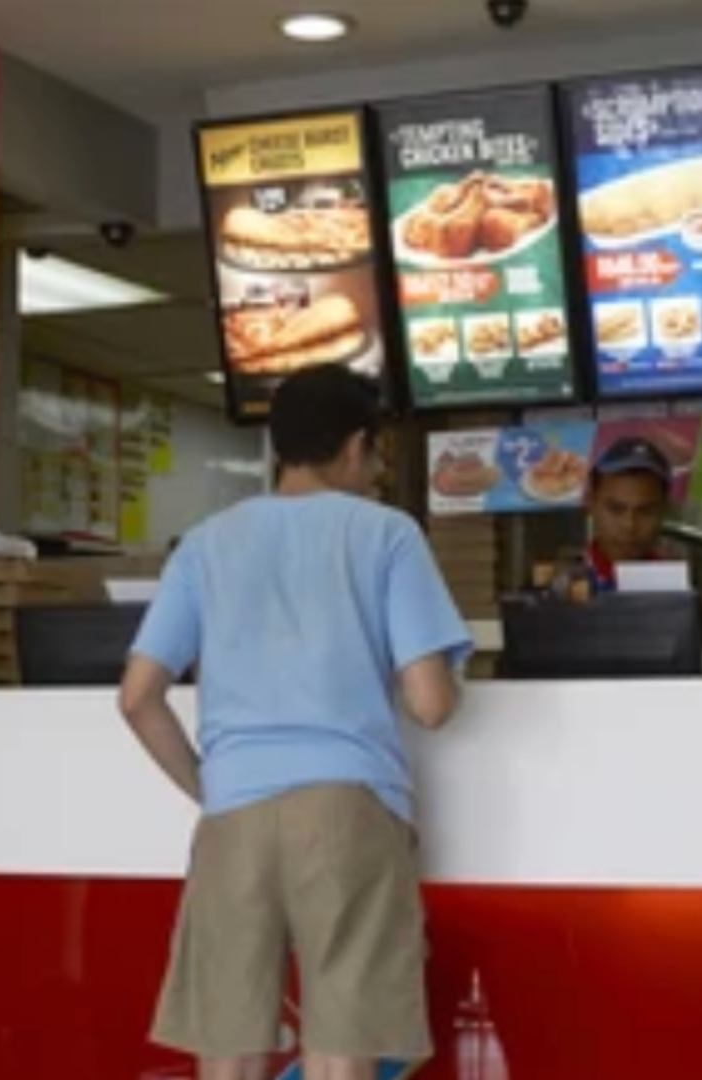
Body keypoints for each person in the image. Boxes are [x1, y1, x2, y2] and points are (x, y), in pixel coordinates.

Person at [118, 364, 473, 1080]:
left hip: (232, 815)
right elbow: (431, 704)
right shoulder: (387, 534)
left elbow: (137, 697)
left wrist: (214, 788)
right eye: (376, 455)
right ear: (356, 446)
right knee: (343, 1039)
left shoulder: (205, 543)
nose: (377, 473)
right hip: (348, 809)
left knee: (229, 1044)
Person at [582, 435, 676, 592]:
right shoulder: (562, 584)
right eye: (616, 509)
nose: (629, 525)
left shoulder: (675, 587)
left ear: (663, 509)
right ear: (590, 502)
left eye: (645, 511)